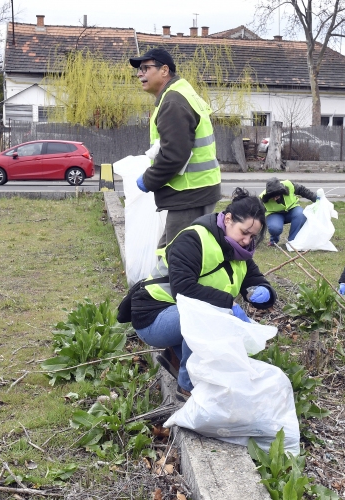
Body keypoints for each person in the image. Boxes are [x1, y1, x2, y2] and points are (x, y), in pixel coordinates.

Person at [127, 188, 276, 398]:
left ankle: (177, 358)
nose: (246, 241)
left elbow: (254, 279)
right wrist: (229, 304)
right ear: (228, 219)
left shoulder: (238, 251)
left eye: (252, 236)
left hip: (181, 316)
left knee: (219, 357)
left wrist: (265, 292)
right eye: (244, 232)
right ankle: (188, 387)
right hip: (153, 316)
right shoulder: (193, 240)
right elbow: (183, 288)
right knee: (209, 314)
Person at [129, 47, 222, 248]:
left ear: (164, 70)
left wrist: (148, 180)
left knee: (178, 257)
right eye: (139, 70)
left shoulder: (173, 101)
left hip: (191, 193)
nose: (139, 74)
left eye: (145, 68)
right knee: (180, 252)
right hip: (198, 190)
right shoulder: (181, 92)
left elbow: (174, 156)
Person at [260, 177, 318, 246]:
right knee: (274, 228)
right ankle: (274, 241)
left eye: (277, 196)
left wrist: (315, 197)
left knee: (301, 214)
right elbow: (257, 215)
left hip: (292, 210)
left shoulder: (288, 185)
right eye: (272, 197)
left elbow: (302, 190)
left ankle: (292, 242)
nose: (275, 198)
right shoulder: (263, 198)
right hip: (274, 214)